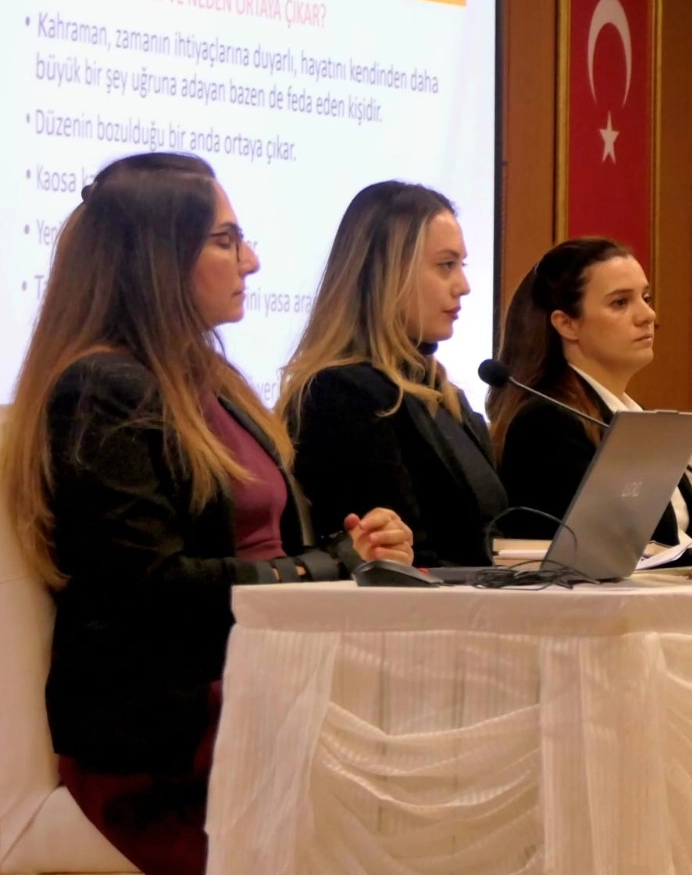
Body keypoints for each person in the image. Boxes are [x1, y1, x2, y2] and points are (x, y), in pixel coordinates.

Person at [0, 152, 413, 875]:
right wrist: (327, 568)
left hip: (253, 699)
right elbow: (150, 591)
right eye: (225, 241)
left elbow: (268, 544)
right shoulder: (101, 388)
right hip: (166, 754)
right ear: (158, 259)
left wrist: (361, 545)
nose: (251, 261)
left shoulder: (209, 379)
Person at [279, 181, 507, 567]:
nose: (464, 286)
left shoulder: (442, 394)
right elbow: (393, 562)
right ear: (386, 274)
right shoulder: (341, 394)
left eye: (462, 265)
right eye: (446, 265)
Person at [487, 237, 692, 545]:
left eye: (645, 297)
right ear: (567, 324)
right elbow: (601, 548)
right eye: (620, 302)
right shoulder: (546, 423)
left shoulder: (635, 415)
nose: (648, 315)